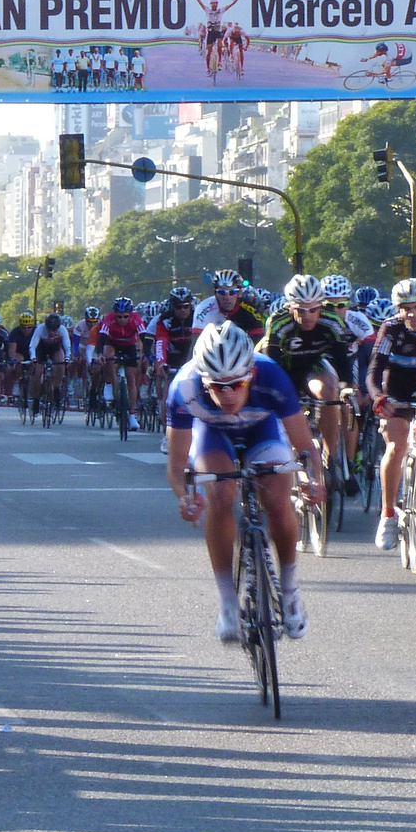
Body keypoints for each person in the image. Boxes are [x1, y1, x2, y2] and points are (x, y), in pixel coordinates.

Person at [167, 322, 325, 641]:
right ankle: (228, 603)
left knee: (278, 499)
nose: (227, 393)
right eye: (217, 386)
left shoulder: (272, 376)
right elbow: (176, 463)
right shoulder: (184, 388)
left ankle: (290, 590)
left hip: (262, 429)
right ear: (203, 379)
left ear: (250, 374)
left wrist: (312, 480)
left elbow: (305, 447)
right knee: (220, 494)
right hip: (213, 434)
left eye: (236, 384)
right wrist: (185, 496)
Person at [263, 275, 358, 495]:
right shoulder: (278, 322)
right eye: (300, 310)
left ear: (321, 307)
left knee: (331, 392)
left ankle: (329, 457)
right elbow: (271, 364)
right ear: (290, 307)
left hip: (313, 365)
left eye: (313, 310)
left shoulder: (331, 320)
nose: (307, 316)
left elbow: (342, 360)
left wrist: (347, 386)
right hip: (284, 367)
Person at [370, 278, 416, 550]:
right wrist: (379, 397)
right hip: (396, 387)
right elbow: (374, 370)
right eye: (406, 308)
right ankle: (388, 514)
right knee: (397, 445)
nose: (412, 314)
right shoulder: (392, 328)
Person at [192, 269, 266, 342]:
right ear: (215, 293)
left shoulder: (250, 309)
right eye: (221, 292)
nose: (227, 297)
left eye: (232, 292)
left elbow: (258, 343)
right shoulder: (203, 308)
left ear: (239, 293)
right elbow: (196, 344)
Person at [189, 0, 242, 77]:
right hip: (210, 31)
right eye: (213, 4)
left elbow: (231, 5)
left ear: (217, 5)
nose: (214, 5)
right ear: (210, 5)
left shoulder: (220, 10)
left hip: (217, 31)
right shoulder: (207, 10)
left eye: (216, 4)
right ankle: (207, 68)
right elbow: (199, 1)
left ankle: (220, 61)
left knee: (219, 43)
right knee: (209, 51)